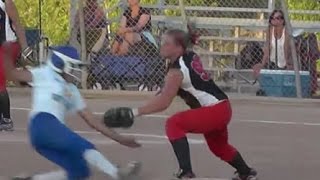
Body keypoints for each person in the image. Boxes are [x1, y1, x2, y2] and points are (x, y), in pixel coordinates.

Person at [104, 28, 258, 180]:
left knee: (174, 124)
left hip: (214, 111)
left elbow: (164, 102)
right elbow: (166, 92)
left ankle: (186, 172)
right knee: (219, 147)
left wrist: (134, 112)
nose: (162, 45)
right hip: (222, 107)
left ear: (178, 48)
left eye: (167, 43)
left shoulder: (176, 70)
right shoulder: (189, 56)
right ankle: (245, 172)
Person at [2, 45, 141, 180]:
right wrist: (6, 53)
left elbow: (92, 121)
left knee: (79, 171)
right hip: (42, 123)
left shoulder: (72, 90)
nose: (75, 71)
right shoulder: (44, 73)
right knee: (83, 146)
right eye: (73, 67)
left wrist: (120, 139)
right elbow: (13, 75)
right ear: (61, 64)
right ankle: (116, 173)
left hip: (48, 134)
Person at [0, 0, 32, 131]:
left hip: (7, 45)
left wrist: (25, 48)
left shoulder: (6, 2)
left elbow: (17, 24)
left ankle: (6, 119)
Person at [253, 9, 292, 77]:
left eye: (277, 18)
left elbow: (286, 48)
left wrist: (288, 64)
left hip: (284, 63)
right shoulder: (270, 30)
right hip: (272, 63)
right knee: (257, 68)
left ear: (282, 20)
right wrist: (263, 63)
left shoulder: (286, 31)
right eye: (272, 18)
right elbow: (268, 47)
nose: (274, 20)